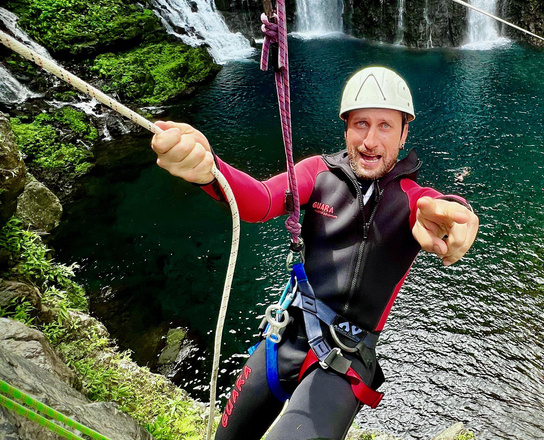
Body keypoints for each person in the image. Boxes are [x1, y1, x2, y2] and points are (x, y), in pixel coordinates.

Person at [150, 66, 479, 440]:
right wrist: (210, 170)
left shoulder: (412, 200)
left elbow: (438, 207)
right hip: (285, 336)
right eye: (360, 124)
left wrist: (458, 213)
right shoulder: (318, 174)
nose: (370, 141)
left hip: (345, 360)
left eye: (385, 126)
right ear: (346, 129)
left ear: (404, 134)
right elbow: (260, 201)